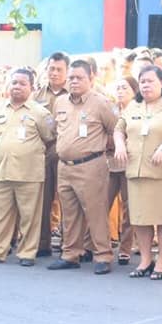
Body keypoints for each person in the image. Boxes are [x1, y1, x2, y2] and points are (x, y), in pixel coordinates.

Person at [112, 65, 162, 280]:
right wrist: (119, 145)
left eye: (150, 81)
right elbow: (119, 128)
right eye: (142, 81)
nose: (145, 85)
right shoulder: (134, 106)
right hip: (137, 170)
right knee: (140, 218)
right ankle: (146, 259)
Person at [0, 68, 55, 266]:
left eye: (22, 83)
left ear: (32, 88)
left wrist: (37, 160)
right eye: (14, 82)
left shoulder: (40, 113)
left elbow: (51, 142)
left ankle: (27, 253)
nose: (17, 86)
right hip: (2, 172)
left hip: (29, 174)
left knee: (30, 216)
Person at [48, 59, 117, 274]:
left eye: (80, 77)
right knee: (69, 213)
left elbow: (115, 130)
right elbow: (54, 130)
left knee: (95, 212)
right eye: (71, 78)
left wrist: (104, 151)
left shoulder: (101, 103)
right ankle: (71, 254)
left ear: (91, 78)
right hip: (65, 166)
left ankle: (102, 255)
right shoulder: (60, 102)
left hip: (91, 165)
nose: (75, 81)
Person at [31, 52, 69, 257]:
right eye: (51, 69)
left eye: (59, 69)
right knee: (43, 200)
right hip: (44, 153)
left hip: (67, 153)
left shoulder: (75, 92)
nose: (54, 73)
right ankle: (42, 243)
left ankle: (68, 244)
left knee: (68, 201)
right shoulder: (36, 95)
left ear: (67, 71)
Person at [107, 76, 137, 265]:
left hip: (130, 164)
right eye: (117, 87)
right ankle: (100, 245)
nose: (120, 91)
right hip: (109, 162)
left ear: (134, 91)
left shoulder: (138, 110)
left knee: (129, 208)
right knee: (102, 204)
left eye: (125, 88)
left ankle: (125, 248)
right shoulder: (110, 110)